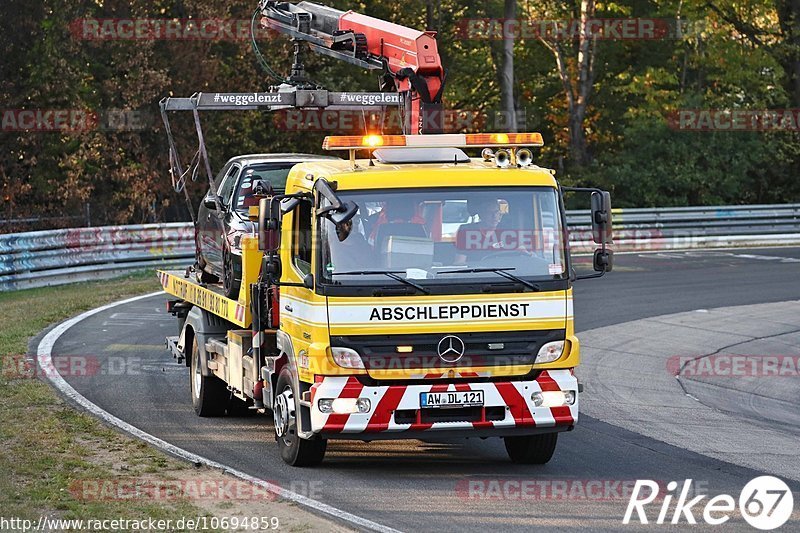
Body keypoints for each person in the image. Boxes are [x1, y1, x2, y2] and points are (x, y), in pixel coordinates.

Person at [454, 197, 504, 264]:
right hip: (475, 272)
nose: (494, 216)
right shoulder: (466, 231)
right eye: (489, 212)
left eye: (496, 212)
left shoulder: (507, 231)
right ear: (481, 215)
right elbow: (460, 261)